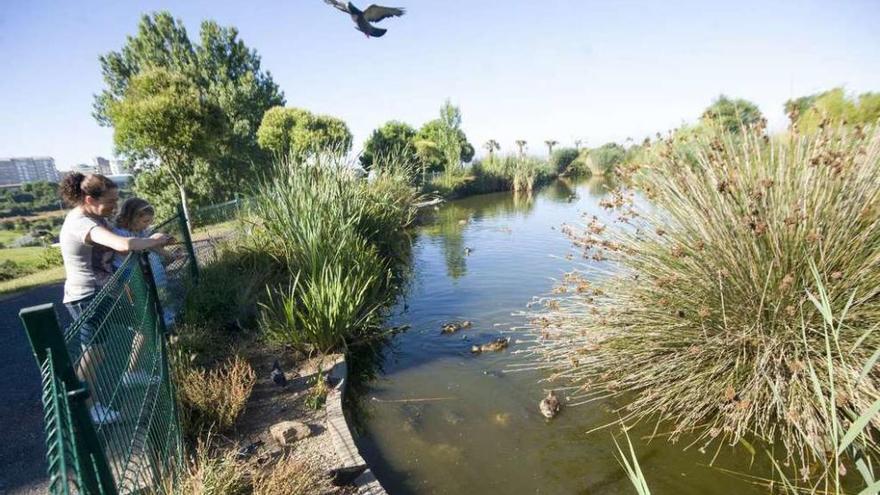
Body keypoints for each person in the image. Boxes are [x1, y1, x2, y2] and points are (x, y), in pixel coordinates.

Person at [59, 172, 173, 424]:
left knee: (144, 323)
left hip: (105, 292)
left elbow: (126, 239)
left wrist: (152, 242)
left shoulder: (96, 217)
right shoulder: (82, 223)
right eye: (110, 201)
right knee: (94, 353)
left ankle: (132, 374)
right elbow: (121, 244)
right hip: (86, 296)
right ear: (89, 199)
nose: (114, 207)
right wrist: (151, 241)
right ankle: (88, 407)